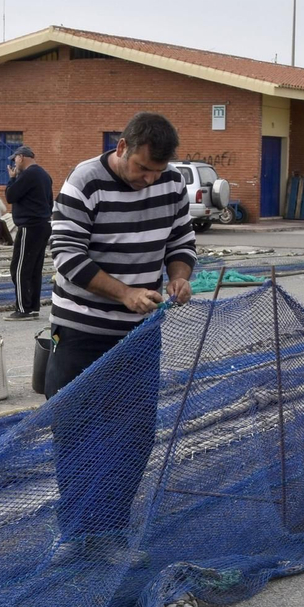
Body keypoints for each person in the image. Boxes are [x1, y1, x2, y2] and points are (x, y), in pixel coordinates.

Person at [45, 111, 196, 538]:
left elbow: (181, 242)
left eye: (157, 171)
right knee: (76, 432)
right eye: (142, 168)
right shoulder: (85, 182)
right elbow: (68, 257)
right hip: (81, 332)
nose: (149, 179)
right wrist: (124, 294)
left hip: (139, 336)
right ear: (122, 147)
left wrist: (179, 276)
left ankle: (110, 530)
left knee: (131, 436)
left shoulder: (171, 184)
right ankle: (75, 533)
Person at [3, 145, 53, 321]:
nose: (14, 163)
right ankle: (32, 307)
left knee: (19, 268)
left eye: (15, 159)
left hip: (29, 227)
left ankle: (23, 309)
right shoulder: (44, 175)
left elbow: (10, 196)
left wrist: (12, 179)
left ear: (21, 157)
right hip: (43, 225)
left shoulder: (28, 175)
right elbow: (50, 202)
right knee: (33, 269)